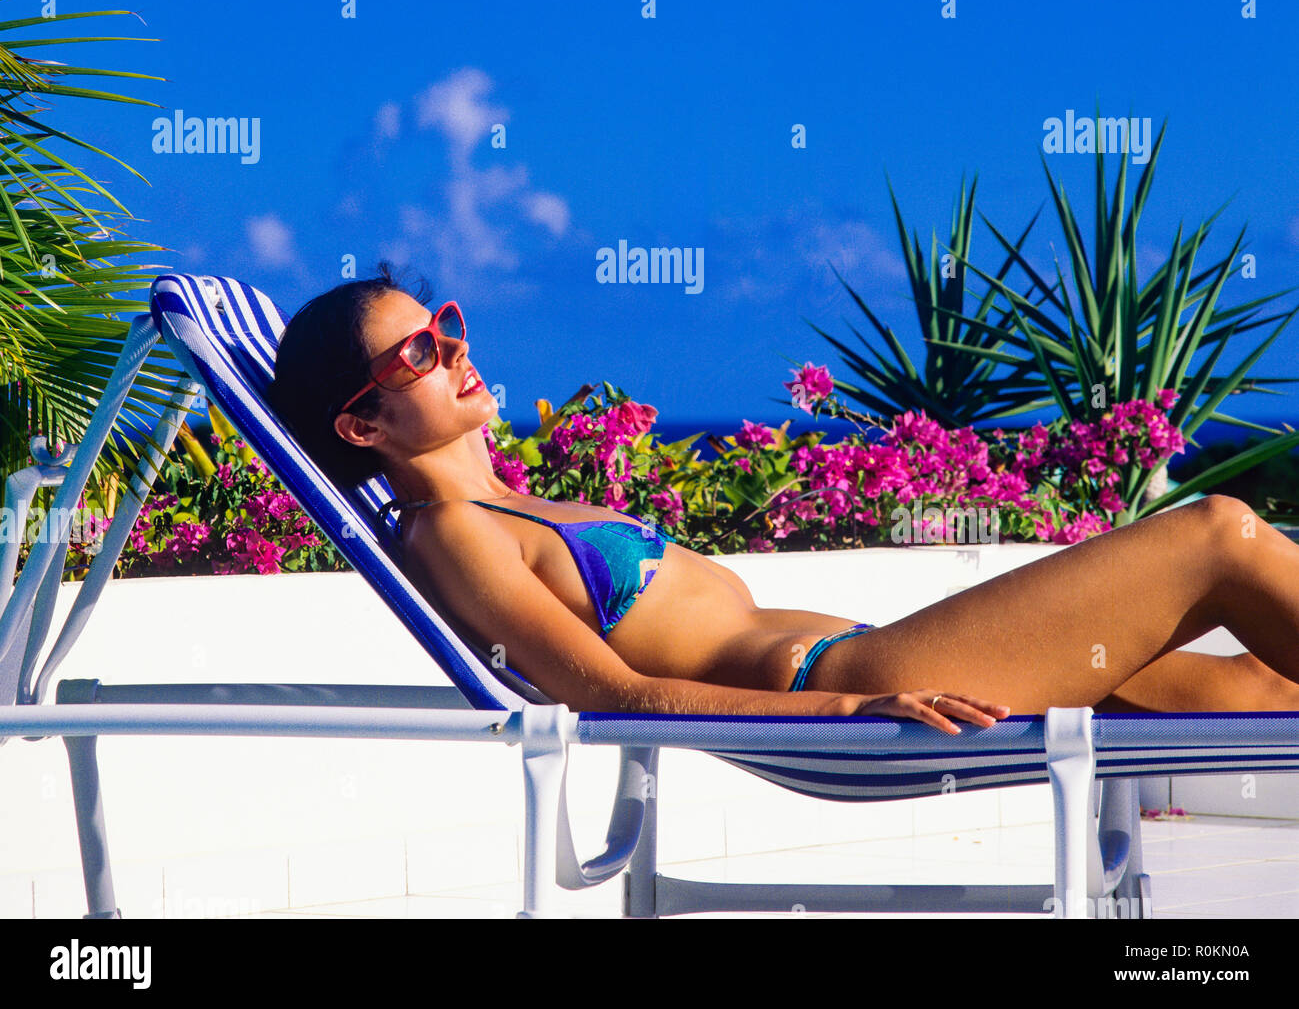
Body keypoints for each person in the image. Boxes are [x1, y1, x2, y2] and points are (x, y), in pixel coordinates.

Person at [268, 266, 1299, 735]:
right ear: (359, 425)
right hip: (856, 679)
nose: (455, 350)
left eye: (446, 326)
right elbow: (613, 697)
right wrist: (849, 710)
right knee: (1218, 533)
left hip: (874, 652)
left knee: (1261, 687)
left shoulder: (508, 502)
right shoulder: (452, 531)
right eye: (419, 352)